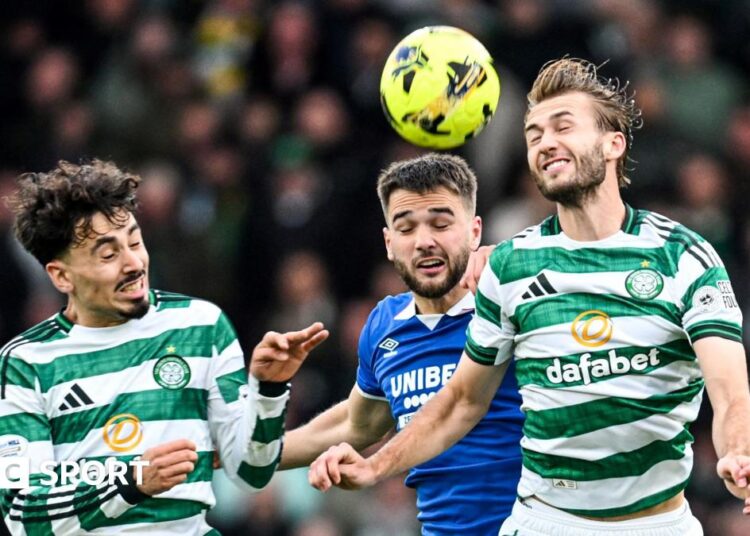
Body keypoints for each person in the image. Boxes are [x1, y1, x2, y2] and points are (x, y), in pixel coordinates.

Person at [308, 58, 750, 535]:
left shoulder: (683, 256)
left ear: (613, 143)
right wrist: (376, 465)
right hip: (543, 522)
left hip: (657, 525)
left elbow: (730, 394)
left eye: (563, 126)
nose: (545, 143)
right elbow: (461, 402)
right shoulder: (510, 266)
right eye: (534, 135)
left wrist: (739, 454)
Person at [0, 159, 328, 534]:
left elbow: (252, 471)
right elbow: (23, 514)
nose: (133, 263)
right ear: (61, 277)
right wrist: (129, 485)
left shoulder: (200, 326)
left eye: (135, 242)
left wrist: (268, 392)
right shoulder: (26, 362)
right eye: (108, 254)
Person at [281, 153, 524, 535]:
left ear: (475, 232)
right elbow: (356, 422)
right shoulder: (384, 324)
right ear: (389, 243)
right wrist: (248, 453)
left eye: (441, 224)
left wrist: (518, 256)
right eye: (406, 228)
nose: (424, 242)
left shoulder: (513, 302)